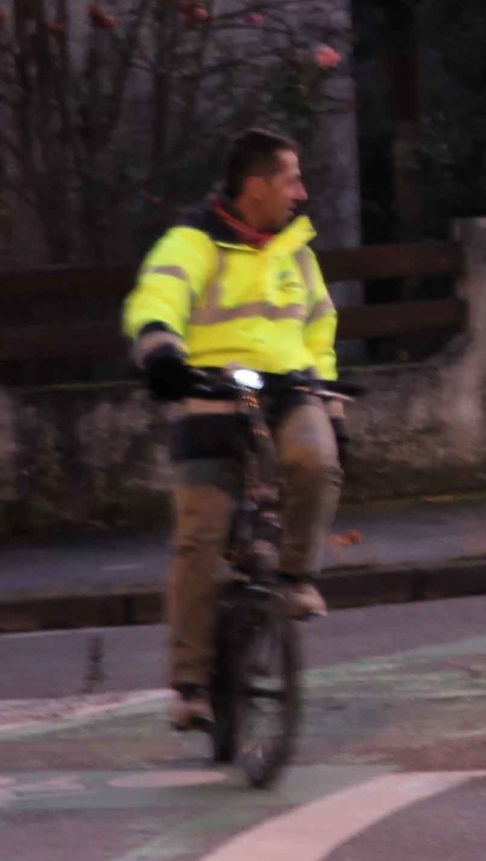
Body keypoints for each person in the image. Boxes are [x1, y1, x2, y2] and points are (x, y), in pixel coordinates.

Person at [122, 129, 347, 733]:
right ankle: (191, 685)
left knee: (316, 461)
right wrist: (163, 353)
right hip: (210, 391)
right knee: (198, 539)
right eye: (290, 180)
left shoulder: (298, 250)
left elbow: (320, 327)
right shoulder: (193, 242)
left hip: (288, 388)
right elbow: (157, 296)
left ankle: (296, 577)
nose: (301, 192)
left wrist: (330, 402)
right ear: (255, 187)